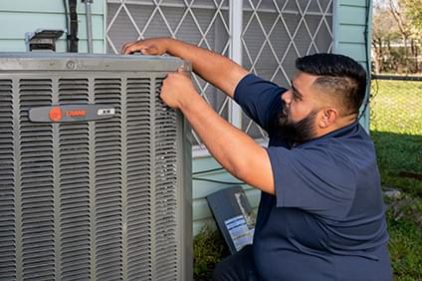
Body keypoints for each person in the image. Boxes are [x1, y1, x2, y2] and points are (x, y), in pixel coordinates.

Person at [122, 38, 393, 281]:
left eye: (296, 96)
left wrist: (187, 100)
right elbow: (232, 76)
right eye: (291, 88)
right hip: (277, 258)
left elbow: (247, 163)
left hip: (332, 271)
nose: (284, 97)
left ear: (327, 116)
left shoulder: (342, 167)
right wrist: (169, 45)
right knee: (226, 272)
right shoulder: (297, 118)